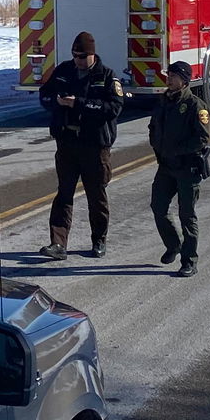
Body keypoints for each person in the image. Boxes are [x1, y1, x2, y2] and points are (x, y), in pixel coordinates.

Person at [38, 32, 124, 260]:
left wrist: (80, 104)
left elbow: (113, 108)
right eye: (75, 55)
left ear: (92, 54)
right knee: (63, 194)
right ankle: (58, 244)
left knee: (96, 196)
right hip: (67, 143)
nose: (77, 60)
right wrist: (57, 102)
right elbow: (44, 95)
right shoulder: (65, 71)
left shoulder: (106, 76)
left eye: (82, 56)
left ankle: (99, 241)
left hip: (94, 146)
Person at [148, 60, 210, 277]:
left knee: (187, 215)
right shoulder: (163, 101)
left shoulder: (195, 105)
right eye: (169, 75)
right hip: (166, 166)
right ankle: (173, 245)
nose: (169, 79)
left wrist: (177, 150)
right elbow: (153, 126)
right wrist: (157, 146)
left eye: (174, 76)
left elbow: (203, 137)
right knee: (158, 207)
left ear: (184, 81)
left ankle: (189, 260)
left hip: (187, 168)